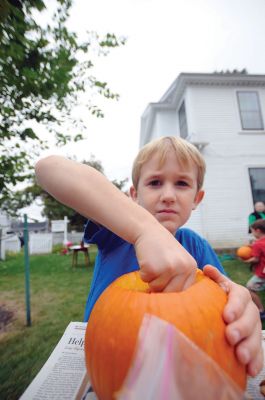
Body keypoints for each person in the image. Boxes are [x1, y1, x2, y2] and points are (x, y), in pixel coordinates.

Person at [35, 135, 263, 377]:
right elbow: (48, 168)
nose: (168, 195)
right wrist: (144, 229)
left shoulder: (195, 245)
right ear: (134, 195)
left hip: (175, 365)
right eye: (154, 182)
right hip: (110, 360)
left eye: (182, 184)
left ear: (197, 198)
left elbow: (225, 296)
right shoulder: (118, 233)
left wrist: (240, 303)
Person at [243, 219, 265, 320]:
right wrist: (252, 246)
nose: (252, 234)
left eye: (252, 231)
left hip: (262, 273)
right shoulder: (259, 243)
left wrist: (245, 260)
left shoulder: (257, 244)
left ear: (258, 231)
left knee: (250, 288)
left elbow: (255, 259)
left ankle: (261, 311)